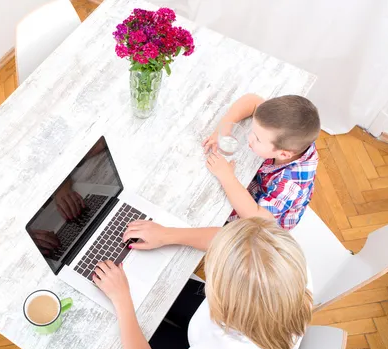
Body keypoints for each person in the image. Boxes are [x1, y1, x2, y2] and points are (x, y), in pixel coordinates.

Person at [94, 218, 313, 349]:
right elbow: (236, 242)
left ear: (224, 299)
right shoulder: (286, 267)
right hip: (232, 344)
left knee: (116, 328)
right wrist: (167, 234)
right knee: (151, 289)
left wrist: (122, 300)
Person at [122, 94, 320, 250]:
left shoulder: (292, 183)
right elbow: (251, 101)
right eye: (252, 131)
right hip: (258, 189)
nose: (250, 139)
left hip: (264, 230)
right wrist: (222, 130)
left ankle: (167, 235)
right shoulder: (285, 135)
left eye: (257, 139)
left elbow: (256, 218)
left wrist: (227, 176)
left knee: (215, 225)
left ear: (284, 154)